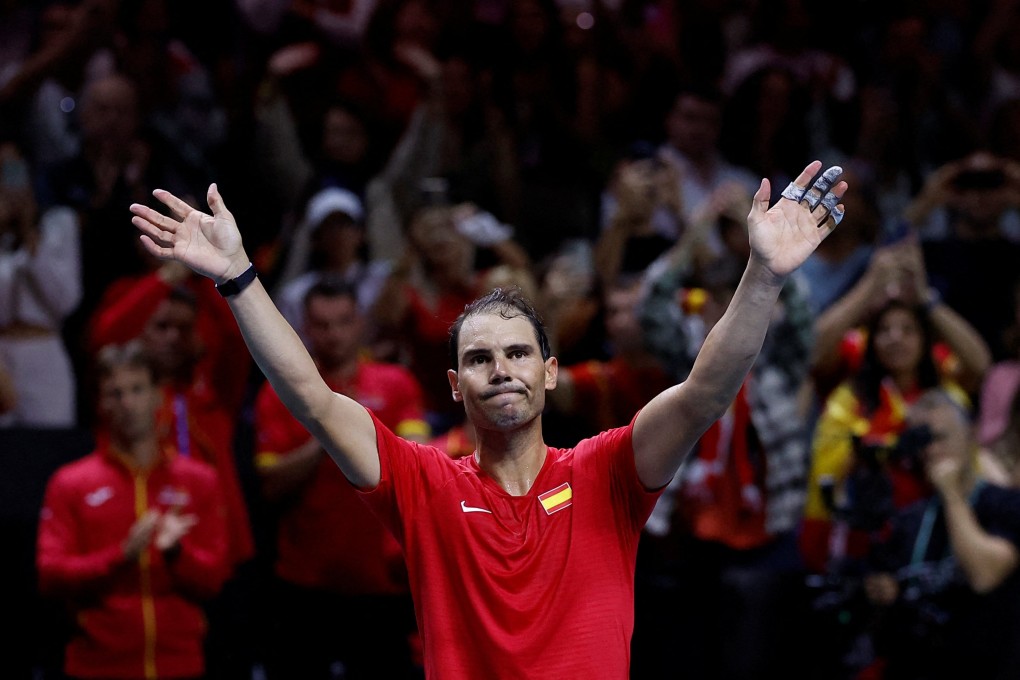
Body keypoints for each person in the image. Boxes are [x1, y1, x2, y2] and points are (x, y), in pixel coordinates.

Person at [129, 159, 848, 678]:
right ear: (454, 384)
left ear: (550, 371)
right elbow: (313, 398)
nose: (501, 367)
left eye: (517, 352)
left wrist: (764, 276)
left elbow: (704, 391)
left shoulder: (607, 473)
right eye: (479, 358)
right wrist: (238, 278)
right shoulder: (423, 483)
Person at [254, 280, 428, 679]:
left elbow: (417, 464)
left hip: (383, 586)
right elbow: (269, 485)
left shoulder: (396, 383)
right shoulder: (279, 392)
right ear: (306, 329)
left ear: (360, 323)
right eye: (322, 325)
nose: (334, 335)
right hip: (304, 585)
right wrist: (328, 432)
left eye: (344, 322)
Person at [36, 340, 231, 680]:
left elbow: (214, 579)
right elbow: (51, 574)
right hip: (97, 666)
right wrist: (120, 556)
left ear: (158, 394)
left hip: (180, 665)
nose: (127, 403)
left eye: (137, 389)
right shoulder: (70, 483)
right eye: (115, 393)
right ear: (100, 402)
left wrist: (176, 553)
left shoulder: (198, 480)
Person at [862, 388, 1020, 679]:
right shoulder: (909, 519)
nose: (932, 450)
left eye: (942, 437)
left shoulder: (1005, 504)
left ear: (971, 433)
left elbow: (985, 575)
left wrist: (951, 494)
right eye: (923, 440)